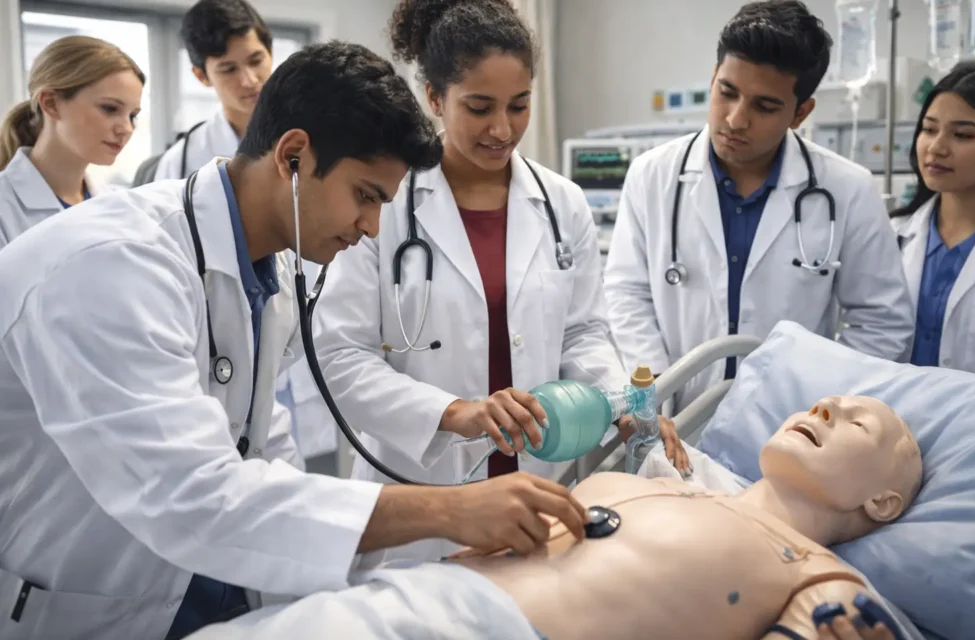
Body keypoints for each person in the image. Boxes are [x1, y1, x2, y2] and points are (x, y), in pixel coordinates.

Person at [0, 41, 591, 640]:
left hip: (211, 593)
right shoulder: (112, 266)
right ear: (293, 156)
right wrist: (447, 511)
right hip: (87, 607)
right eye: (366, 196)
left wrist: (375, 589)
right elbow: (191, 495)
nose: (371, 229)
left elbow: (261, 453)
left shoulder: (272, 271)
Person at [307, 0, 689, 561]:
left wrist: (621, 402)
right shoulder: (383, 201)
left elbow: (582, 332)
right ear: (434, 97)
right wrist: (453, 412)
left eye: (519, 105)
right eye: (479, 107)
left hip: (536, 486)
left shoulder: (562, 203)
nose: (502, 129)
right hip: (422, 492)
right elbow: (340, 356)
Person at [188, 395, 920, 640]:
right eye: (824, 399)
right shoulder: (662, 482)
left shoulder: (818, 574)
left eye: (859, 422)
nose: (824, 407)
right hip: (401, 602)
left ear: (882, 502)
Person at [603, 0, 914, 412]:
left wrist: (816, 400)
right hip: (672, 415)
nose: (735, 119)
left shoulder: (848, 189)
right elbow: (626, 293)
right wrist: (656, 389)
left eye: (764, 106)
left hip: (793, 421)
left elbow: (882, 322)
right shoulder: (652, 175)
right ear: (713, 77)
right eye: (726, 92)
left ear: (800, 112)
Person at [890, 65, 975, 383]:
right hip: (885, 421)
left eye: (962, 134)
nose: (936, 147)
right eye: (929, 129)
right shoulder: (890, 235)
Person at [0, 35, 143, 248]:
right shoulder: (5, 207)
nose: (126, 129)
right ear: (51, 104)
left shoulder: (119, 204)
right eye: (110, 108)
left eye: (132, 115)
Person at [152, 0, 273, 181]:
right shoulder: (181, 162)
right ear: (202, 76)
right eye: (229, 69)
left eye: (256, 61)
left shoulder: (314, 133)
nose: (250, 80)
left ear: (270, 53)